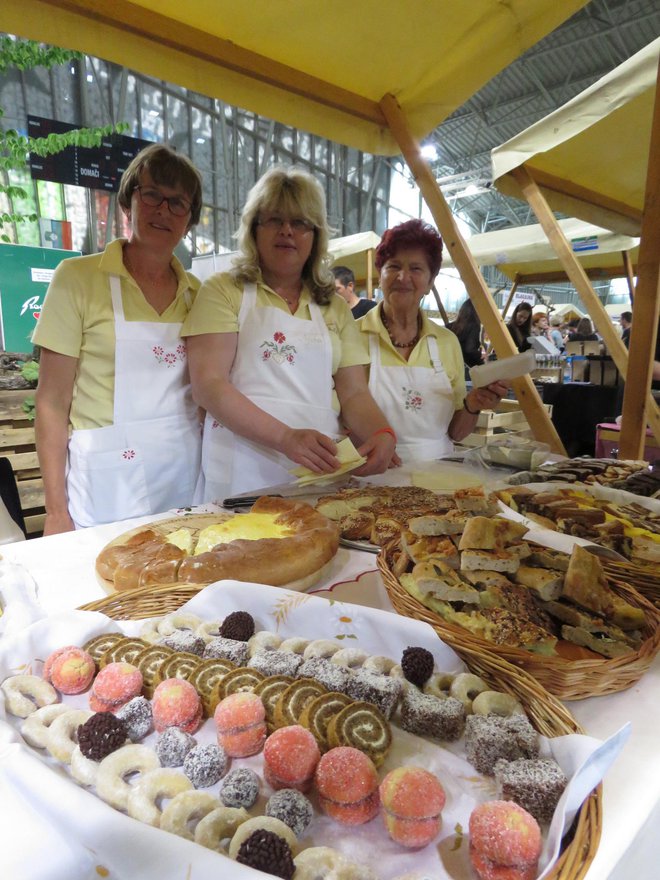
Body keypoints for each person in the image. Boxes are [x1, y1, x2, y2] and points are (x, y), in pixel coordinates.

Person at [183, 165, 396, 501]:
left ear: (315, 236)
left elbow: (354, 392)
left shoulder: (333, 306)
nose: (287, 231)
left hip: (318, 470)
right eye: (274, 220)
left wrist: (382, 433)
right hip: (241, 466)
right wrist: (286, 438)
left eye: (300, 223)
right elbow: (209, 386)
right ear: (254, 229)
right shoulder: (224, 290)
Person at [34, 144, 204, 534]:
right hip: (106, 484)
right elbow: (52, 402)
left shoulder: (199, 295)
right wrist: (56, 510)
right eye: (152, 195)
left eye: (178, 202)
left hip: (183, 478)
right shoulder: (77, 278)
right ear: (129, 201)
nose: (163, 210)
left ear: (190, 218)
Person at [355, 219, 507, 461]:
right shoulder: (352, 336)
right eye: (393, 266)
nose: (403, 277)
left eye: (416, 269)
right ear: (380, 274)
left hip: (437, 479)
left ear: (430, 282)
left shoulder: (446, 342)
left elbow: (456, 433)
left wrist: (473, 404)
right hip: (369, 476)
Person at [448, 299, 484, 369]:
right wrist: (481, 356)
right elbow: (470, 349)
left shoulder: (450, 326)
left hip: (450, 365)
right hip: (467, 368)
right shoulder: (474, 326)